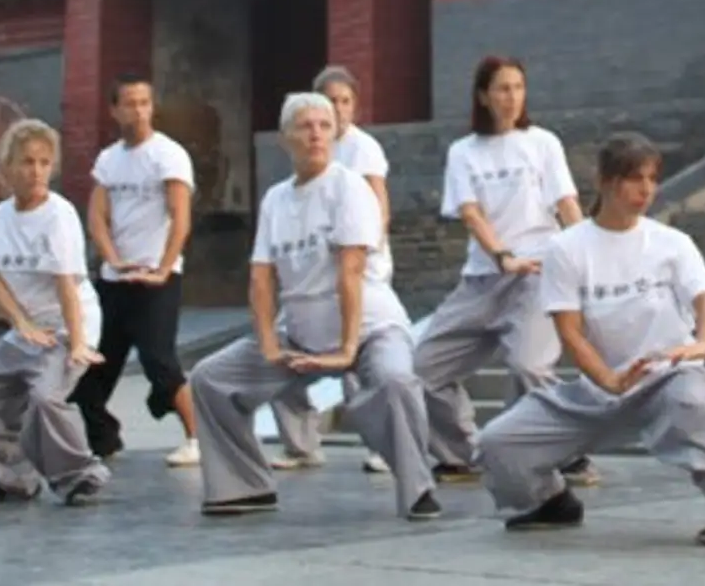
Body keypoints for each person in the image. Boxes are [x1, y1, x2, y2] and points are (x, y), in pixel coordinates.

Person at [479, 132, 705, 546]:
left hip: (669, 377)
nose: (646, 190)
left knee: (697, 405)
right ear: (606, 181)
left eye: (652, 178)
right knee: (498, 442)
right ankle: (554, 503)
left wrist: (704, 341)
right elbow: (569, 331)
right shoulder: (567, 248)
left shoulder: (672, 244)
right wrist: (608, 381)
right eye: (634, 179)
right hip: (601, 387)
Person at [189, 92, 441, 522]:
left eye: (325, 126)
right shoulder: (275, 200)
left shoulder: (349, 188)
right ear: (286, 139)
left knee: (395, 382)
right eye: (306, 126)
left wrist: (346, 350)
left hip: (369, 329)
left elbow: (350, 272)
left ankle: (418, 489)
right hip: (301, 335)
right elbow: (262, 278)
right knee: (210, 379)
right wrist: (269, 344)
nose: (317, 134)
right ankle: (244, 486)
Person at [413, 56, 597, 487]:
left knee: (530, 366)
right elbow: (471, 214)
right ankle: (463, 454)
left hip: (538, 274)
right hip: (482, 280)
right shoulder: (463, 152)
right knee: (422, 369)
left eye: (518, 87)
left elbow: (566, 204)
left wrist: (589, 253)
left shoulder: (543, 143)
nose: (511, 97)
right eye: (501, 89)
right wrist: (501, 256)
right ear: (483, 96)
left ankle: (567, 451)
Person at [0, 119, 109, 507]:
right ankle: (14, 478)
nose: (36, 171)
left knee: (46, 398)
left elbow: (65, 286)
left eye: (43, 162)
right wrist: (20, 323)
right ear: (6, 168)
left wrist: (78, 343)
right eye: (26, 162)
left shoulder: (59, 214)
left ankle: (80, 474)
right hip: (27, 331)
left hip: (68, 326)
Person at [70, 72, 201, 468]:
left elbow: (180, 218)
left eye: (145, 103)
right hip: (115, 281)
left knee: (160, 361)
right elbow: (97, 216)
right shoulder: (109, 159)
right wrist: (111, 258)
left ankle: (198, 438)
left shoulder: (169, 155)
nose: (139, 111)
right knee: (91, 372)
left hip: (157, 279)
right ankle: (103, 442)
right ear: (114, 110)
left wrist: (163, 268)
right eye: (130, 103)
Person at [271, 65, 394, 476]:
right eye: (330, 102)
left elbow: (378, 204)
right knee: (280, 348)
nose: (337, 112)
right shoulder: (308, 148)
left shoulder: (364, 149)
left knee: (356, 357)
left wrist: (363, 253)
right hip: (308, 275)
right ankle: (301, 444)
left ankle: (381, 443)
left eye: (345, 102)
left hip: (358, 268)